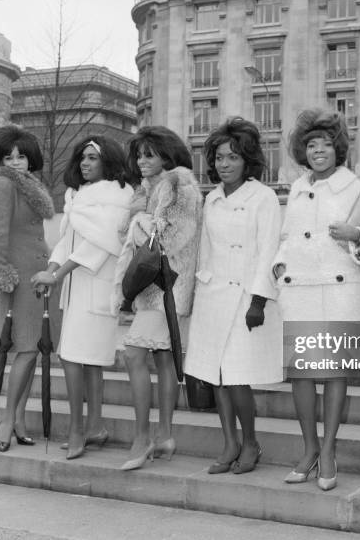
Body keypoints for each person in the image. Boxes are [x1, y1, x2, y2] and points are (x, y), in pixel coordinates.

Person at [272, 109, 360, 490]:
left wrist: (356, 234)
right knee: (301, 375)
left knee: (335, 374)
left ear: (338, 149)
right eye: (311, 144)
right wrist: (277, 265)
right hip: (300, 290)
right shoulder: (298, 189)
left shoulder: (356, 189)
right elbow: (286, 237)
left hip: (339, 291)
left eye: (325, 144)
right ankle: (309, 450)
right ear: (303, 151)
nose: (318, 150)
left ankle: (330, 450)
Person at [185, 117, 283, 475]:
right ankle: (229, 443)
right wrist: (198, 292)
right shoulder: (211, 198)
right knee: (216, 376)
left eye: (232, 157)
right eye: (219, 158)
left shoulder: (264, 197)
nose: (224, 164)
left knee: (239, 377)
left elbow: (269, 249)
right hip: (213, 296)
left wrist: (258, 300)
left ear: (248, 160)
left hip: (246, 299)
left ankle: (251, 442)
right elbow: (205, 252)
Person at [31, 135, 134, 460]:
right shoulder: (76, 195)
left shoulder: (120, 195)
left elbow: (100, 244)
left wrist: (56, 275)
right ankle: (94, 428)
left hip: (99, 286)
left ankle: (78, 429)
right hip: (75, 289)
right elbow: (66, 241)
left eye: (92, 157)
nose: (85, 163)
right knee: (84, 363)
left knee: (76, 359)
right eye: (82, 158)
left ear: (108, 160)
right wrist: (52, 269)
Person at [112, 126, 203, 470]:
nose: (142, 160)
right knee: (164, 359)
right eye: (139, 154)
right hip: (154, 288)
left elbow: (175, 236)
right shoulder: (147, 189)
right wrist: (138, 213)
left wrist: (141, 221)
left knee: (134, 354)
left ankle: (142, 437)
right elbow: (126, 233)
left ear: (167, 155)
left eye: (149, 154)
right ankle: (164, 435)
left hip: (167, 289)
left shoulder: (181, 186)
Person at [0, 125, 55, 452]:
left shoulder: (27, 185)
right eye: (8, 156)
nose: (15, 162)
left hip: (37, 277)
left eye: (22, 156)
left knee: (33, 349)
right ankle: (7, 420)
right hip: (18, 277)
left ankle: (20, 418)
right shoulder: (4, 184)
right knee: (24, 349)